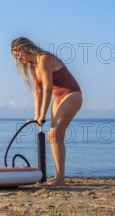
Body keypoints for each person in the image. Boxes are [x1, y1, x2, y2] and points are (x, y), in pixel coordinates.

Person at [11, 37, 82, 186]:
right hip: (58, 98)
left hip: (71, 95)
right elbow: (37, 90)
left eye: (18, 54)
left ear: (25, 49)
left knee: (55, 134)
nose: (18, 58)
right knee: (53, 136)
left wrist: (43, 113)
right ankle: (58, 176)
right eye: (15, 56)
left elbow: (48, 88)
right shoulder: (32, 65)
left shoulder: (43, 58)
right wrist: (37, 114)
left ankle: (60, 179)